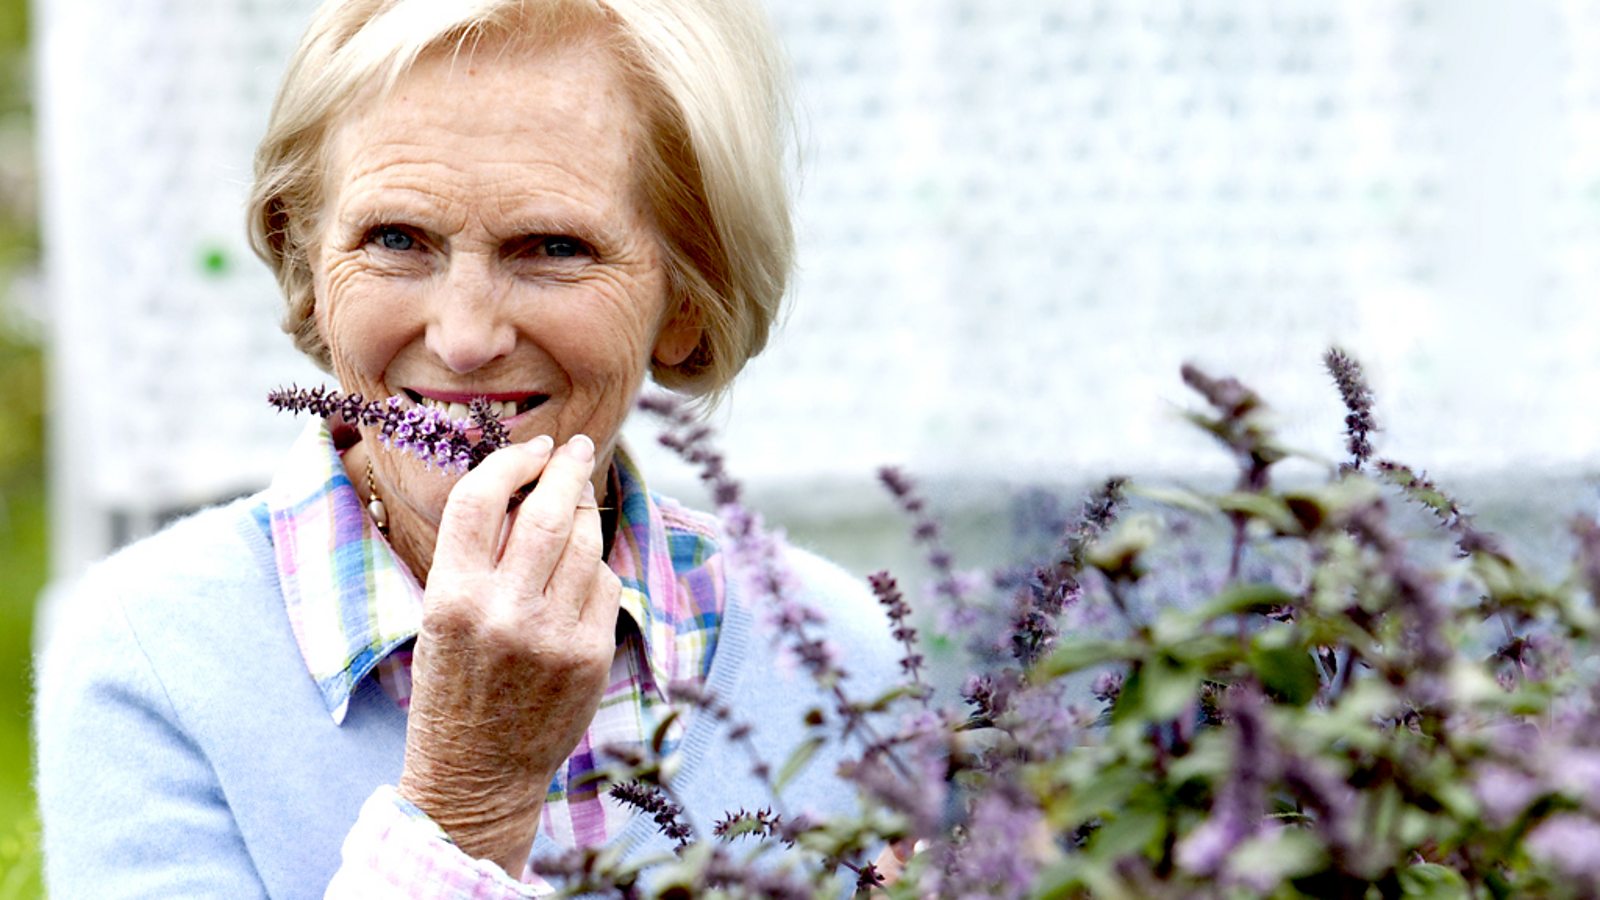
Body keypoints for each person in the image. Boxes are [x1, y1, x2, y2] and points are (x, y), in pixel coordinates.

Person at [34, 0, 900, 896]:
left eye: (554, 247)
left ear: (689, 296)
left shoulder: (836, 653)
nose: (464, 337)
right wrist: (465, 803)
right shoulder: (153, 655)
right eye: (396, 239)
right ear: (307, 261)